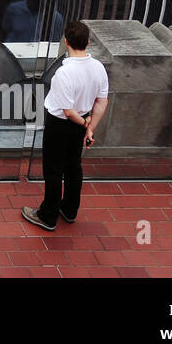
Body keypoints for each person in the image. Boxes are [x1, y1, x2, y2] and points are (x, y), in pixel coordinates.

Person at [23, 20, 108, 231]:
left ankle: (47, 215)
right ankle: (70, 210)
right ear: (88, 42)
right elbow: (102, 101)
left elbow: (68, 111)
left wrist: (83, 123)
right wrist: (89, 126)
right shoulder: (98, 67)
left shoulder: (64, 73)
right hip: (82, 120)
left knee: (53, 170)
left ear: (67, 42)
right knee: (73, 167)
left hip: (60, 125)